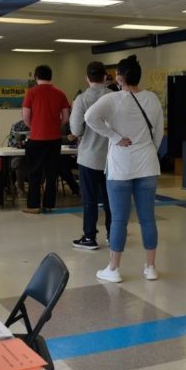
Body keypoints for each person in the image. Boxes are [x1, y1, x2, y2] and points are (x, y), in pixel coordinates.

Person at [85, 54, 163, 283]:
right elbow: (157, 134)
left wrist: (114, 137)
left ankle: (114, 268)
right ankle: (150, 268)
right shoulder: (152, 99)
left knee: (119, 219)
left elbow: (90, 117)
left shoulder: (113, 99)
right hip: (147, 165)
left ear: (119, 77)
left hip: (120, 166)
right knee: (148, 219)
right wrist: (148, 150)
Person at [70, 61, 113, 250]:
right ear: (105, 77)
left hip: (88, 157)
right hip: (112, 158)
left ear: (87, 78)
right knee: (111, 198)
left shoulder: (81, 100)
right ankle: (113, 235)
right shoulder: (115, 97)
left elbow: (75, 129)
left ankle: (89, 237)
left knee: (90, 199)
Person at [21, 65, 70, 213]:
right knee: (51, 173)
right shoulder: (60, 94)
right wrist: (55, 125)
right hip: (54, 139)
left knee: (34, 173)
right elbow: (66, 118)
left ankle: (34, 205)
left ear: (36, 77)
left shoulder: (31, 93)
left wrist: (35, 126)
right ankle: (49, 204)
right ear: (51, 77)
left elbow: (25, 118)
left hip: (36, 138)